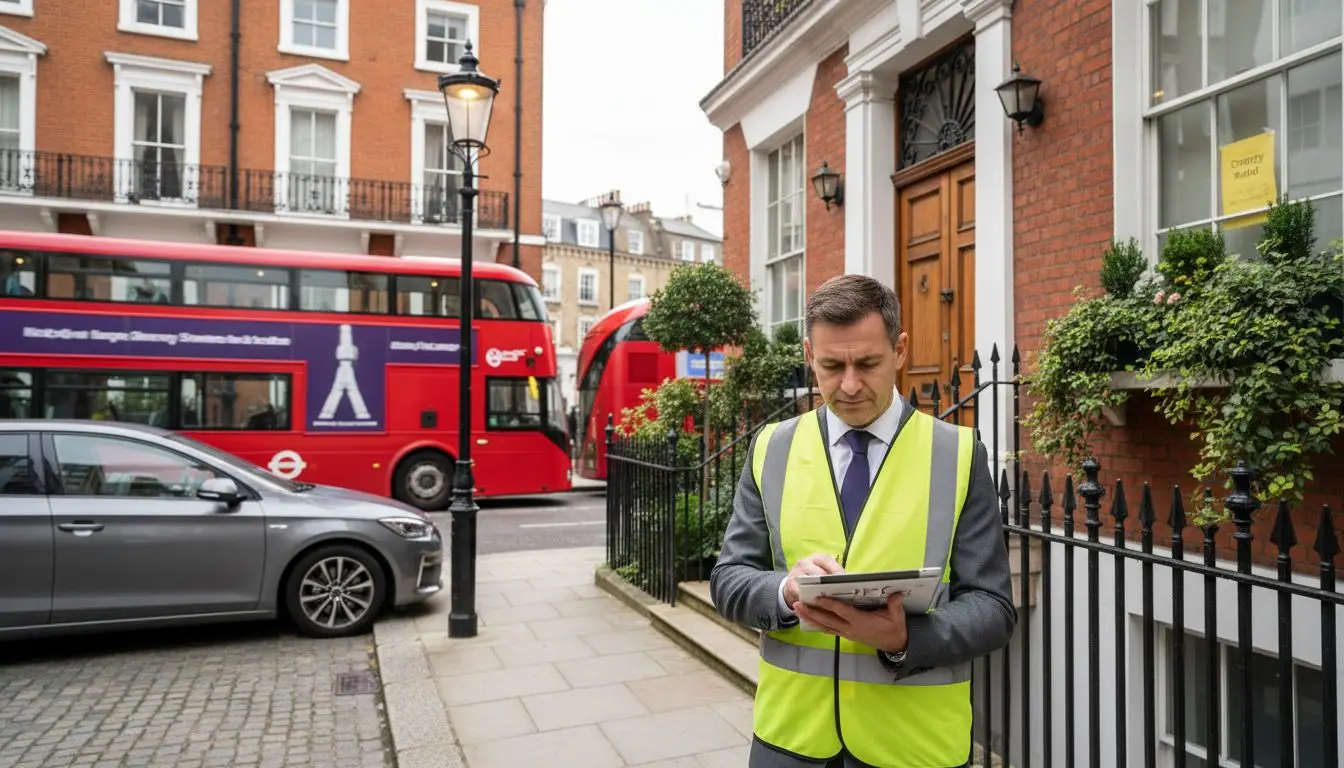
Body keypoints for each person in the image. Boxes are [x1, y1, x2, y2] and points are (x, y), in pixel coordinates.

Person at [710, 274, 1016, 768]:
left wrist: (903, 639)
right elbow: (728, 579)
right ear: (809, 353)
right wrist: (785, 590)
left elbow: (993, 607)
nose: (849, 385)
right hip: (790, 742)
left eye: (867, 363)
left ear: (899, 350)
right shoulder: (772, 448)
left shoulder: (957, 454)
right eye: (831, 366)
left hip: (914, 748)